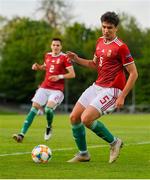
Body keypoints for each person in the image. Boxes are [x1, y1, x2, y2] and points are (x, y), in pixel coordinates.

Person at [66, 11, 138, 163]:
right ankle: (83, 154)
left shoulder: (121, 47)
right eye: (104, 27)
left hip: (112, 90)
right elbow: (94, 64)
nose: (106, 30)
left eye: (109, 28)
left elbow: (133, 73)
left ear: (116, 28)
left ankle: (114, 142)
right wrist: (77, 59)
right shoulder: (99, 41)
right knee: (74, 117)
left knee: (86, 118)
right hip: (97, 86)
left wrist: (122, 95)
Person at [13, 38, 75, 143]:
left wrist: (59, 76)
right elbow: (46, 67)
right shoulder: (47, 55)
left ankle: (49, 127)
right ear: (51, 46)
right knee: (34, 108)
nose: (55, 47)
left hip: (57, 90)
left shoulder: (65, 58)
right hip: (44, 87)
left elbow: (72, 74)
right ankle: (21, 135)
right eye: (54, 45)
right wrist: (38, 67)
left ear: (61, 47)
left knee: (48, 109)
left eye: (58, 45)